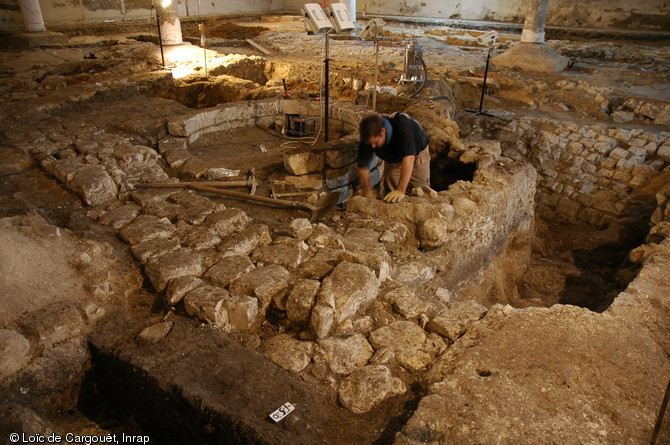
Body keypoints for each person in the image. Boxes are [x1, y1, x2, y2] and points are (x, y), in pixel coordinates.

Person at [357, 112, 431, 203]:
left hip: (417, 154)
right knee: (391, 194)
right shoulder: (369, 135)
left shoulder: (403, 126)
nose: (373, 146)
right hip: (394, 158)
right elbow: (362, 166)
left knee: (420, 191)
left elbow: (409, 158)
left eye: (375, 142)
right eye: (370, 143)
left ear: (383, 131)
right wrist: (367, 189)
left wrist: (400, 190)